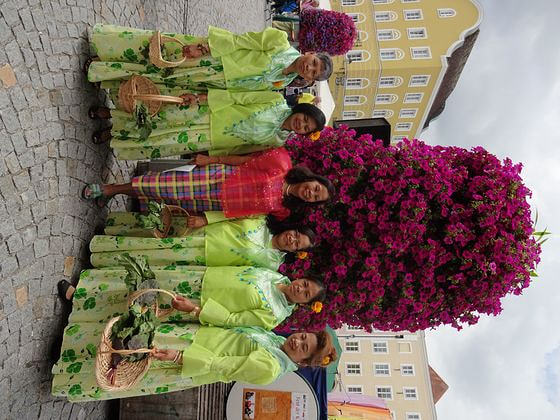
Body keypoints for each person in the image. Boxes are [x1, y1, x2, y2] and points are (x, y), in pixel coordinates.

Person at [52, 270, 337, 401]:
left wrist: (180, 357)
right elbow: (231, 328)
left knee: (133, 357)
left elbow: (224, 367)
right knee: (132, 332)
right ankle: (78, 335)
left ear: (302, 361)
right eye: (303, 337)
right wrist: (197, 311)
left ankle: (68, 359)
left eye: (303, 347)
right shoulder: (274, 341)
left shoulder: (271, 368)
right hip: (194, 334)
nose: (297, 341)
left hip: (189, 355)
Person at [82, 148, 335, 220]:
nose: (311, 193)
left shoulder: (284, 210)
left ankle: (115, 193)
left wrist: (207, 219)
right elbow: (244, 160)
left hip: (213, 205)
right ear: (312, 179)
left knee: (164, 200)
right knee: (160, 185)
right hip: (215, 178)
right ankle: (110, 189)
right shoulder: (282, 163)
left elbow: (247, 216)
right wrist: (212, 159)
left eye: (315, 197)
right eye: (316, 188)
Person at [56, 264, 326, 330]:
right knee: (140, 281)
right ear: (301, 278)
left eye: (306, 295)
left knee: (140, 303)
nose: (300, 289)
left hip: (193, 301)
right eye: (305, 284)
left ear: (304, 304)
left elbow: (234, 320)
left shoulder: (275, 315)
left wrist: (196, 309)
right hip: (197, 276)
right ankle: (87, 287)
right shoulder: (275, 275)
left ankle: (81, 303)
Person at [87, 24, 333, 91]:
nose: (309, 68)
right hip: (212, 59)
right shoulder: (279, 42)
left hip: (212, 81)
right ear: (310, 53)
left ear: (310, 79)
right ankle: (107, 51)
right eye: (313, 63)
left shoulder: (283, 83)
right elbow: (241, 40)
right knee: (163, 54)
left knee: (161, 77)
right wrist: (204, 48)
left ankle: (107, 71)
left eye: (313, 72)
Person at [88, 89, 326, 159]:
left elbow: (243, 149)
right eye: (305, 119)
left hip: (209, 139)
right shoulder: (275, 101)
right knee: (160, 118)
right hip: (207, 115)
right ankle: (110, 113)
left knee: (159, 140)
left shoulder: (278, 141)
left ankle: (116, 135)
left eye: (307, 128)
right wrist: (201, 99)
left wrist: (211, 156)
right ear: (302, 110)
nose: (301, 124)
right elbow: (237, 97)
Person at [91, 213, 316, 270]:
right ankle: (111, 232)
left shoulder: (271, 264)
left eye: (297, 244)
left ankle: (104, 255)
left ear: (295, 251)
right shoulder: (262, 220)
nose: (292, 239)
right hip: (202, 231)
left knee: (153, 254)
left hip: (204, 258)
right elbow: (231, 214)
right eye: (296, 234)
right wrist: (205, 219)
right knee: (155, 232)